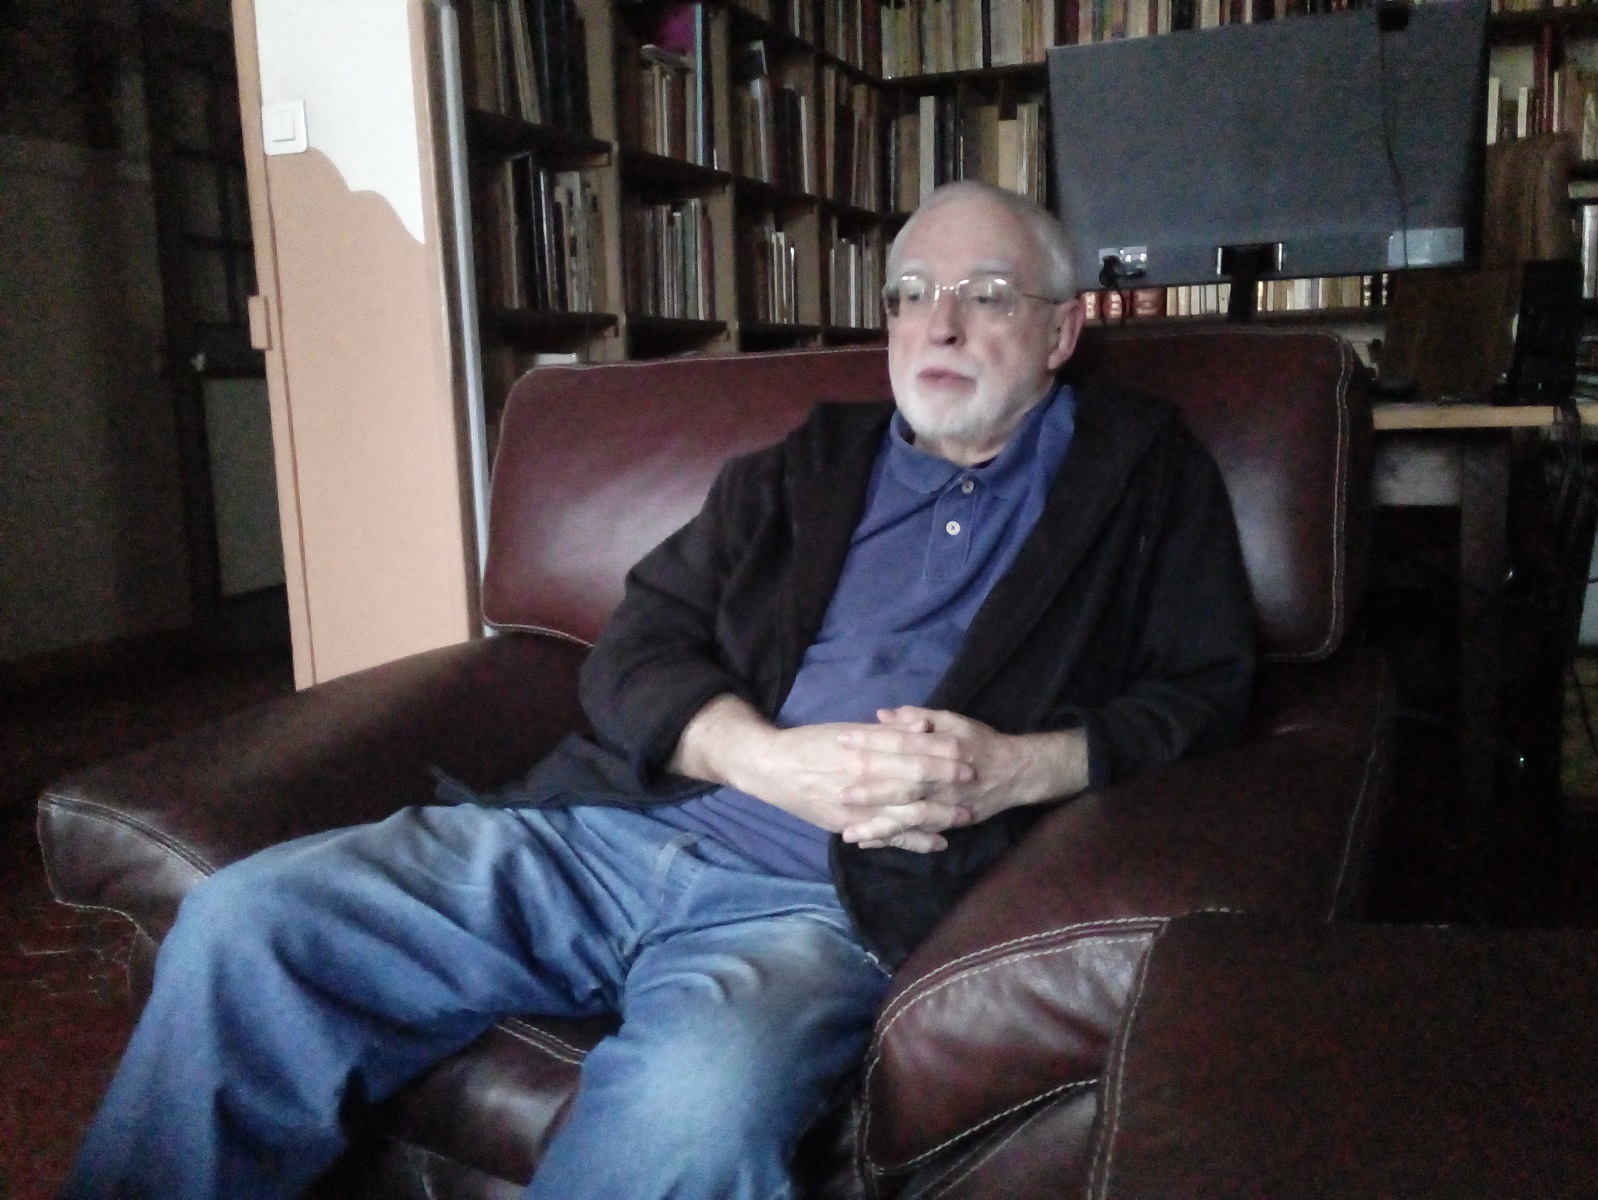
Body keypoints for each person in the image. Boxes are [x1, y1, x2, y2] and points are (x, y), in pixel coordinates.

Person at [60, 180, 1255, 1200]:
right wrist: (759, 756)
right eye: (909, 293)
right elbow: (631, 649)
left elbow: (1207, 691)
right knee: (249, 922)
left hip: (820, 907)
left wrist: (1016, 768)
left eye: (987, 294)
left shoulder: (1137, 473)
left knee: (692, 1111)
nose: (937, 323)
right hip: (602, 838)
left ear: (1061, 330)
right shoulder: (801, 468)